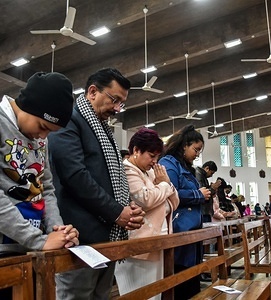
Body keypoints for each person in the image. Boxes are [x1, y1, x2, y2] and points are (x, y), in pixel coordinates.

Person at [0, 72, 80, 299]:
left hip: (25, 252)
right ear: (30, 106)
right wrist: (39, 241)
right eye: (43, 126)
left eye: (50, 131)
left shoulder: (39, 138)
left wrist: (57, 231)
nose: (43, 135)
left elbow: (45, 189)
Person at [48, 68, 145, 300]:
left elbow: (113, 178)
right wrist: (116, 213)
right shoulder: (69, 121)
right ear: (92, 92)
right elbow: (75, 176)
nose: (117, 108)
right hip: (80, 236)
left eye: (121, 103)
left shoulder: (103, 129)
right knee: (76, 295)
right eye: (115, 99)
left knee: (101, 295)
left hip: (106, 236)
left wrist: (128, 207)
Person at [115, 128, 179, 299]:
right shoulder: (127, 170)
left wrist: (165, 186)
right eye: (152, 156)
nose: (155, 161)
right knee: (138, 293)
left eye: (157, 157)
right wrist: (165, 185)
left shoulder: (150, 172)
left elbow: (174, 202)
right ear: (136, 150)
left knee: (154, 293)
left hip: (158, 239)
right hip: (138, 244)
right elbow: (145, 199)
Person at [158, 124, 211, 299]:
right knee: (181, 277)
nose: (197, 154)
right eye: (196, 149)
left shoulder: (185, 166)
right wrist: (198, 194)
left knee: (192, 278)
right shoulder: (168, 164)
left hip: (191, 230)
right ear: (184, 145)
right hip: (179, 228)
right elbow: (169, 192)